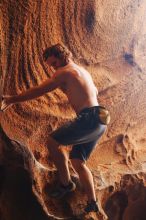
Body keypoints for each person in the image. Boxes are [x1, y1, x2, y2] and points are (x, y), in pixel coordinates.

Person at [1, 43, 110, 213]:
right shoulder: (83, 71)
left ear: (62, 56)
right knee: (77, 161)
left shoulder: (64, 72)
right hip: (102, 118)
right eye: (51, 65)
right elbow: (94, 92)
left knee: (52, 141)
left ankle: (65, 184)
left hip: (90, 117)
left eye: (54, 63)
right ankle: (92, 202)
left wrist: (11, 100)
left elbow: (39, 90)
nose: (54, 68)